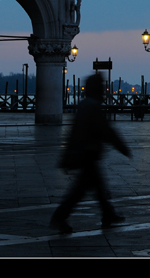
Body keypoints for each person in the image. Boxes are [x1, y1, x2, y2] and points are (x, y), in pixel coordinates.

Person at [50, 72, 131, 234]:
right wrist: (123, 147)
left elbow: (74, 132)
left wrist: (67, 155)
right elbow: (106, 131)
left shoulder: (84, 104)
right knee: (79, 191)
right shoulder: (93, 106)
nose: (104, 90)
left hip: (84, 152)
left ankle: (108, 214)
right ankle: (60, 217)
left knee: (97, 186)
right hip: (88, 153)